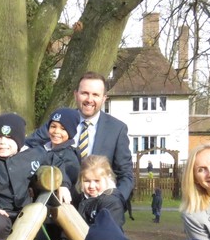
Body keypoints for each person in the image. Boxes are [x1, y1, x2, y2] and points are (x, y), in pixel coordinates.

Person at [27, 71, 134, 203]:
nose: (89, 99)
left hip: (98, 207)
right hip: (59, 206)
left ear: (104, 98)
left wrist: (116, 200)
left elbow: (125, 174)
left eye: (95, 95)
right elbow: (28, 147)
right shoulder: (58, 122)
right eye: (85, 93)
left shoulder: (117, 129)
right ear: (76, 94)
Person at [76, 155, 125, 227]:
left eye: (97, 181)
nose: (91, 186)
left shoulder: (112, 202)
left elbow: (107, 232)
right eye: (87, 181)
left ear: (107, 178)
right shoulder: (81, 198)